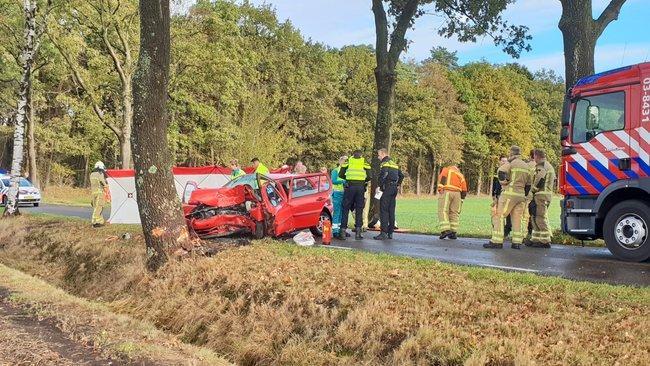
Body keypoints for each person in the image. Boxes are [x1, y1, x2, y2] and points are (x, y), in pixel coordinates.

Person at [485, 146, 533, 249]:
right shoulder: (526, 166)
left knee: (499, 215)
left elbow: (501, 172)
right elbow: (529, 184)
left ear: (511, 153)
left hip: (509, 195)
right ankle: (516, 242)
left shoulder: (510, 163)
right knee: (517, 218)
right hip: (521, 196)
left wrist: (504, 182)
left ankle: (497, 241)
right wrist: (523, 194)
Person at [337, 150, 372, 240]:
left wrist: (349, 178)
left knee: (345, 209)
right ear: (361, 155)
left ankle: (343, 233)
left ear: (353, 155)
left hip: (349, 186)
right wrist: (362, 180)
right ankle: (358, 233)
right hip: (360, 187)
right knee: (359, 209)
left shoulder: (348, 161)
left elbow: (341, 174)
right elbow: (370, 176)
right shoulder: (364, 162)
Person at [526, 149, 556, 248]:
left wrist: (532, 191)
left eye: (534, 156)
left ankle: (545, 240)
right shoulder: (547, 165)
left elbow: (540, 179)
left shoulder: (542, 166)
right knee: (534, 217)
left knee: (540, 217)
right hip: (541, 195)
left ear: (536, 156)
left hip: (541, 195)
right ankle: (536, 239)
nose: (533, 158)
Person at [374, 149, 404, 240]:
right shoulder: (394, 163)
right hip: (394, 188)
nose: (378, 157)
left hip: (386, 188)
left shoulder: (384, 163)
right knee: (391, 210)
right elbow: (401, 175)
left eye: (379, 155)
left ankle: (383, 232)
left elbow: (384, 174)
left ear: (383, 154)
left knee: (384, 210)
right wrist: (397, 184)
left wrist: (379, 186)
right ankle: (390, 232)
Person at [437, 164, 468, 240]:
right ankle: (453, 233)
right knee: (454, 212)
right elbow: (464, 187)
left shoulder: (446, 169)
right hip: (457, 194)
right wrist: (462, 198)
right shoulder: (460, 174)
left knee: (443, 210)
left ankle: (445, 230)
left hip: (447, 191)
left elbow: (443, 177)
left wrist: (440, 188)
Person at [492, 156, 512, 237]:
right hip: (498, 195)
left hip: (506, 195)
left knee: (506, 213)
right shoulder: (497, 171)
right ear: (499, 162)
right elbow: (494, 185)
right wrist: (493, 195)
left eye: (506, 161)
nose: (504, 162)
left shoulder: (508, 172)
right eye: (502, 161)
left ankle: (507, 228)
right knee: (496, 214)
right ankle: (497, 229)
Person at [330, 156, 347, 237]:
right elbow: (333, 181)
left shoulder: (347, 170)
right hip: (337, 193)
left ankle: (341, 229)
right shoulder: (335, 170)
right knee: (337, 212)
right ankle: (335, 231)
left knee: (342, 212)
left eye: (346, 161)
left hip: (345, 193)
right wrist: (343, 181)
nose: (345, 162)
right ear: (340, 162)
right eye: (343, 161)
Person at [90, 161, 108, 228]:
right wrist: (107, 185)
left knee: (96, 208)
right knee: (99, 208)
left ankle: (100, 221)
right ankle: (95, 222)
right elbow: (103, 183)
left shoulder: (92, 174)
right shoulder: (100, 174)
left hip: (93, 194)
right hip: (100, 194)